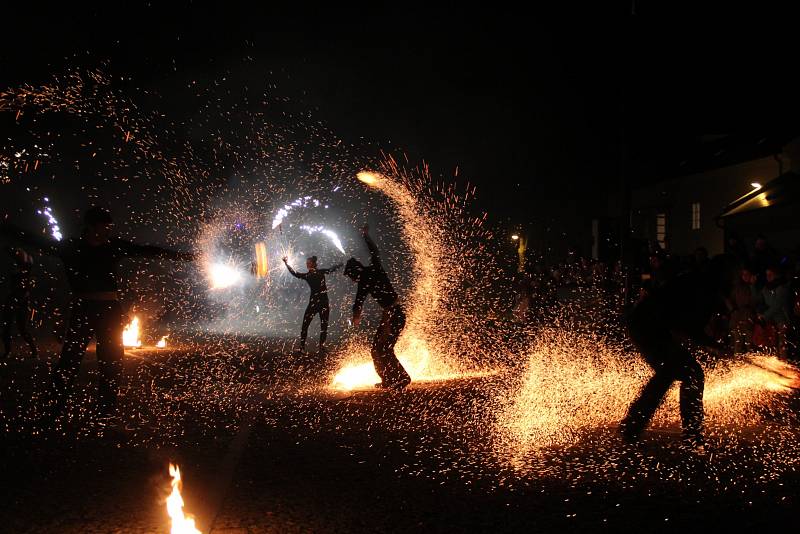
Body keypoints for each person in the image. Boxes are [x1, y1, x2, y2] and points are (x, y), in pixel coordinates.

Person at [2, 207, 195, 420]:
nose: (106, 232)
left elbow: (147, 250)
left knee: (112, 360)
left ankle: (105, 410)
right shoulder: (71, 247)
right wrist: (6, 228)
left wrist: (186, 256)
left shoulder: (113, 247)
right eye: (103, 227)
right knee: (70, 360)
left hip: (109, 310)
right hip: (83, 309)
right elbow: (35, 240)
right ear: (90, 226)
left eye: (108, 227)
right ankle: (52, 407)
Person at [620, 255, 735, 450]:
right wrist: (714, 345)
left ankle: (633, 425)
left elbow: (688, 326)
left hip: (647, 325)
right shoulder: (703, 289)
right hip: (648, 327)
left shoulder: (697, 282)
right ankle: (690, 434)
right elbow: (689, 327)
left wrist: (712, 344)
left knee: (674, 373)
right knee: (688, 373)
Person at [343, 225, 410, 390]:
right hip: (394, 314)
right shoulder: (373, 269)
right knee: (378, 349)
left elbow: (358, 302)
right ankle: (389, 379)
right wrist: (366, 236)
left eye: (352, 277)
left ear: (355, 272)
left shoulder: (365, 279)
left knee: (382, 349)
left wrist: (356, 316)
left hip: (393, 315)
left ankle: (402, 378)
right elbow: (375, 252)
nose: (353, 281)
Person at [283, 255, 342, 354]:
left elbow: (331, 269)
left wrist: (339, 265)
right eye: (307, 263)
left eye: (309, 263)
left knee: (322, 326)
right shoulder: (313, 274)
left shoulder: (314, 274)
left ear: (314, 264)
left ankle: (318, 348)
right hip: (318, 303)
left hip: (319, 303)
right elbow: (295, 273)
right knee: (308, 325)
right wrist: (286, 264)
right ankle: (307, 348)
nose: (307, 265)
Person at [2, 247, 38, 359]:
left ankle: (34, 351)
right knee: (7, 327)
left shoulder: (28, 271)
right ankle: (7, 352)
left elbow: (28, 287)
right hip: (13, 299)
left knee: (22, 328)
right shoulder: (16, 269)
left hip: (22, 301)